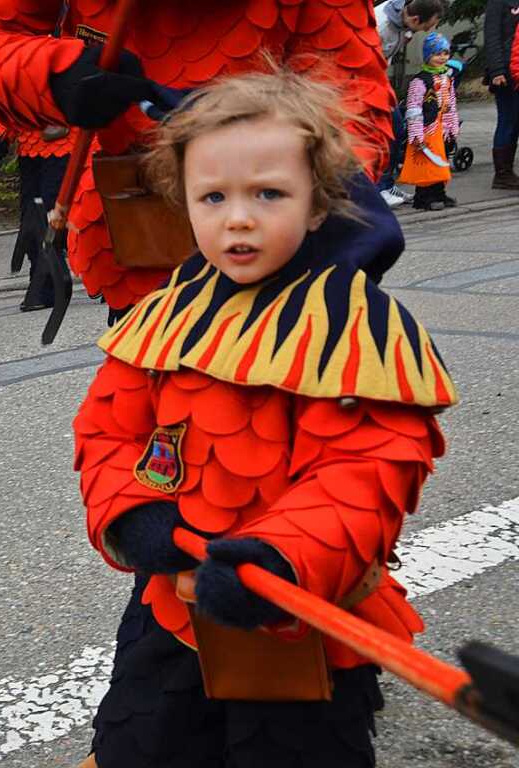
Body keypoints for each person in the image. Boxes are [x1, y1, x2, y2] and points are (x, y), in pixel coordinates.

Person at [73, 68, 456, 768]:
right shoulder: (166, 312)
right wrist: (132, 510)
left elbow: (366, 471)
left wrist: (283, 554)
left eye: (268, 194)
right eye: (212, 197)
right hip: (173, 608)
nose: (238, 217)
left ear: (317, 206)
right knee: (141, 745)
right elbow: (109, 429)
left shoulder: (355, 324)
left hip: (299, 622)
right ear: (183, 202)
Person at [0, 0, 396, 316]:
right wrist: (54, 73)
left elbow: (354, 104)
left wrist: (299, 205)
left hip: (282, 268)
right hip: (138, 245)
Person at [0, 121, 75, 311]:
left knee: (50, 217)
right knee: (31, 218)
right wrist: (1, 133)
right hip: (30, 149)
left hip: (63, 144)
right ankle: (44, 283)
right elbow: (8, 99)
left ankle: (48, 285)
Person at [373, 0, 445, 208]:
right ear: (415, 19)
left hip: (379, 80)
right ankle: (379, 189)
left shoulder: (404, 21)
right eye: (426, 25)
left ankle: (386, 185)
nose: (427, 30)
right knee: (384, 133)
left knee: (395, 128)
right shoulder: (382, 26)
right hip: (364, 82)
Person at [398, 32, 459, 211]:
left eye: (445, 53)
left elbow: (451, 104)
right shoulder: (419, 81)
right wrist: (416, 132)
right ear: (427, 56)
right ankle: (423, 198)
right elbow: (413, 108)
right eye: (437, 54)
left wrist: (453, 126)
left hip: (443, 129)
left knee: (442, 162)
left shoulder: (447, 78)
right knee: (427, 164)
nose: (442, 58)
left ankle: (439, 193)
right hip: (426, 130)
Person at [486, 0, 519, 190]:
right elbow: (492, 36)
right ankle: (503, 174)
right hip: (505, 74)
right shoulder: (498, 3)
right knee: (508, 122)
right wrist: (497, 70)